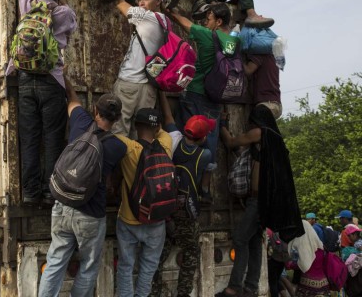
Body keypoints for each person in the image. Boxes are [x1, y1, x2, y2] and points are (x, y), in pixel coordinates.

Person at [38, 77, 126, 297]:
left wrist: (66, 78)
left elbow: (73, 100)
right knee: (88, 266)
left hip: (62, 204)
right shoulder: (118, 147)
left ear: (95, 111)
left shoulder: (80, 123)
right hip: (90, 213)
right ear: (118, 119)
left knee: (55, 261)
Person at [8, 0, 77, 206]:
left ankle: (30, 192)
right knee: (52, 138)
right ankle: (50, 193)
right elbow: (71, 31)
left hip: (25, 79)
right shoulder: (64, 13)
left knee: (29, 138)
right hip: (52, 81)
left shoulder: (28, 3)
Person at [217, 105, 304, 297]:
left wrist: (221, 123)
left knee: (240, 239)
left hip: (259, 201)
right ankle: (251, 288)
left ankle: (234, 288)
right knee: (255, 242)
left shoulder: (260, 133)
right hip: (267, 201)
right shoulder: (276, 140)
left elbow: (231, 142)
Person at [154, 93, 216, 297]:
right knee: (191, 252)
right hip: (187, 212)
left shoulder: (173, 140)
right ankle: (182, 293)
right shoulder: (205, 155)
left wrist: (162, 93)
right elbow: (205, 175)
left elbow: (168, 116)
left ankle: (154, 291)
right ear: (204, 137)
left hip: (166, 209)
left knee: (157, 255)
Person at [167, 3, 238, 170]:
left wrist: (170, 11)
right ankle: (204, 187)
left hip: (196, 93)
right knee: (210, 139)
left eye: (208, 19)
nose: (206, 22)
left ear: (219, 21)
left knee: (185, 138)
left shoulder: (208, 35)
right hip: (216, 97)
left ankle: (181, 176)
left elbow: (184, 23)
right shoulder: (234, 41)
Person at [114, 107, 173, 297]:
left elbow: (110, 132)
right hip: (156, 220)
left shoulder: (129, 149)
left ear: (137, 126)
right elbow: (163, 131)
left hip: (129, 219)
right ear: (156, 128)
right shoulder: (166, 145)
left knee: (125, 267)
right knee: (148, 269)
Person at [110, 0, 170, 138]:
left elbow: (121, 4)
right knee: (141, 134)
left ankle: (122, 162)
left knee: (119, 131)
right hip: (149, 87)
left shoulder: (147, 16)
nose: (141, 3)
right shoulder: (165, 22)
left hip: (129, 82)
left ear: (158, 1)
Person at [286, 220, 329, 297]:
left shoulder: (304, 249)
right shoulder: (320, 246)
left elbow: (302, 264)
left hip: (308, 287)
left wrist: (289, 264)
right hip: (323, 285)